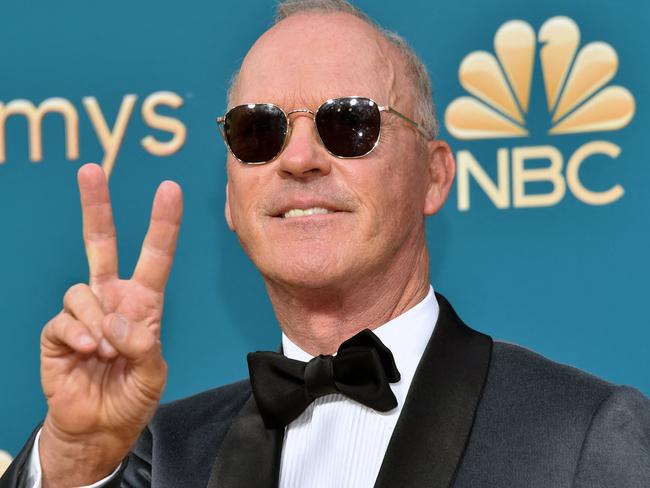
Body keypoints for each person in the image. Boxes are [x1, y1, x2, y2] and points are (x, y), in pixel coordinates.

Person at [2, 1, 649, 487]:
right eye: (260, 132)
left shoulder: (585, 434)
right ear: (230, 198)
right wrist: (77, 457)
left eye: (350, 123)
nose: (300, 158)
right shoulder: (162, 454)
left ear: (434, 174)